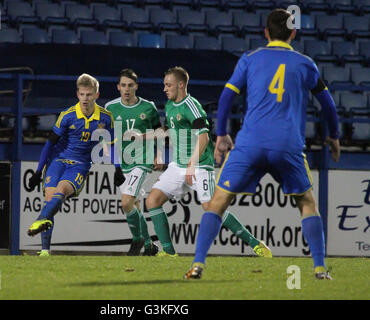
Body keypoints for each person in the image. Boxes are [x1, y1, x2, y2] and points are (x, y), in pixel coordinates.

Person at [184, 9, 340, 280]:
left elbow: (225, 97)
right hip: (287, 146)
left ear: (266, 33)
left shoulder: (250, 59)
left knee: (219, 201)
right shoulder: (306, 64)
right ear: (293, 33)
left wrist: (221, 134)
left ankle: (198, 264)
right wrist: (334, 135)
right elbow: (328, 104)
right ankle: (319, 268)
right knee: (306, 203)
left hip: (250, 144)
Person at [145, 67, 271, 257]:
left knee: (211, 208)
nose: (165, 89)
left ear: (181, 85)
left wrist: (192, 164)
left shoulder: (192, 105)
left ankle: (255, 244)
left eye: (168, 85)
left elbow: (204, 138)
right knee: (152, 200)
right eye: (164, 85)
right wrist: (145, 138)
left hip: (199, 165)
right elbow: (171, 130)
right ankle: (169, 253)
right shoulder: (170, 105)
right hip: (178, 165)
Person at [27, 73, 115, 240]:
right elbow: (49, 144)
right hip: (58, 160)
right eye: (82, 94)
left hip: (80, 164)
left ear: (96, 95)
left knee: (61, 190)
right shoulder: (67, 115)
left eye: (89, 94)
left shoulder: (105, 117)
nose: (85, 98)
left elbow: (112, 145)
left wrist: (117, 168)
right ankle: (45, 252)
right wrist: (38, 172)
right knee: (49, 197)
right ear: (77, 94)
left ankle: (39, 220)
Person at [105, 69, 161, 256]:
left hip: (142, 161)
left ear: (136, 86)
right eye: (123, 85)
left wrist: (158, 155)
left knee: (126, 202)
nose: (127, 89)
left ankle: (137, 240)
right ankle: (149, 246)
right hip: (124, 162)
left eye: (130, 85)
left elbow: (159, 132)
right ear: (118, 87)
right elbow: (107, 137)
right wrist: (114, 163)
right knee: (134, 207)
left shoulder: (148, 107)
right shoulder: (111, 108)